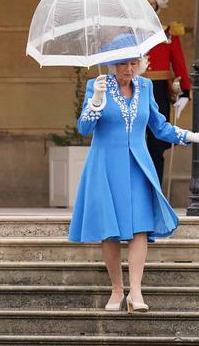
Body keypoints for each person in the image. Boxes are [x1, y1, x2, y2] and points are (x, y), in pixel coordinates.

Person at [69, 39, 199, 313]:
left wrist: (188, 136)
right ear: (111, 64)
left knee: (140, 227)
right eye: (122, 63)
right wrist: (95, 101)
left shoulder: (146, 86)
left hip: (138, 165)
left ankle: (135, 292)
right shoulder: (98, 85)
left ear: (140, 63)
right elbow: (84, 128)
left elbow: (159, 126)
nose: (128, 69)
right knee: (110, 230)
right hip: (105, 166)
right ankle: (117, 289)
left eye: (133, 63)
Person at [136, 0, 192, 185]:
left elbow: (179, 63)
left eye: (152, 3)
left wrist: (185, 91)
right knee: (133, 142)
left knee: (157, 146)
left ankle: (155, 189)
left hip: (158, 92)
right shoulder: (130, 33)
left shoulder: (168, 33)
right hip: (133, 90)